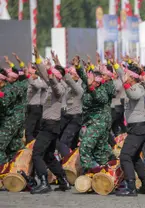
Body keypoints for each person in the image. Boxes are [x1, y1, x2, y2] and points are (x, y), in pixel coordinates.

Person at [31, 48, 70, 194]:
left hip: (50, 125)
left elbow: (55, 86)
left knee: (37, 153)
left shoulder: (59, 86)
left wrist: (51, 74)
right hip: (50, 125)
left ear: (57, 76)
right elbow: (42, 72)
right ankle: (63, 181)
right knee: (48, 155)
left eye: (52, 73)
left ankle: (44, 182)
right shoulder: (52, 83)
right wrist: (38, 59)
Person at [116, 63, 145, 197]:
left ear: (133, 78)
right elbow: (122, 74)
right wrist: (114, 64)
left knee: (125, 156)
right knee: (135, 157)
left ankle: (131, 188)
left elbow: (133, 96)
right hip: (136, 128)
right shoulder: (132, 85)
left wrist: (125, 84)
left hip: (138, 128)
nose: (125, 77)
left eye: (127, 75)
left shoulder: (138, 88)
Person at [57, 64, 83, 158]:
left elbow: (70, 82)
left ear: (76, 76)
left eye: (71, 74)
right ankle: (75, 162)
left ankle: (68, 164)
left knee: (64, 142)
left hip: (76, 118)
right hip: (68, 116)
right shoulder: (70, 86)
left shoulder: (79, 87)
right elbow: (61, 80)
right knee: (72, 143)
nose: (69, 77)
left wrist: (66, 74)